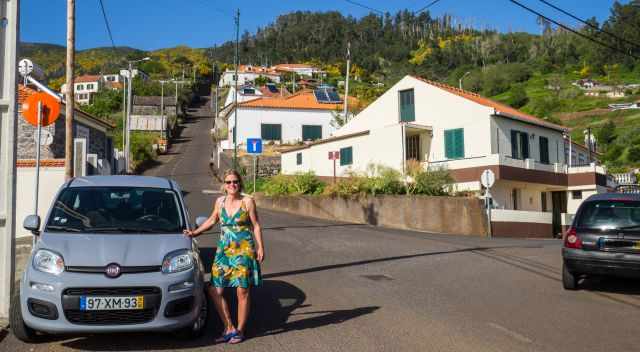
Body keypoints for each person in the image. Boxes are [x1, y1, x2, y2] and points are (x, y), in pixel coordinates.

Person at [184, 169, 265, 344]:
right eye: (228, 182)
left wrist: (260, 247)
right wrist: (194, 233)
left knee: (242, 290)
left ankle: (240, 331)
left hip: (244, 249)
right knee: (214, 289)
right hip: (224, 251)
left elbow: (256, 226)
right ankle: (229, 326)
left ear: (240, 183)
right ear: (224, 185)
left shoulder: (248, 201)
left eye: (235, 181)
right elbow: (212, 220)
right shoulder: (219, 202)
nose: (232, 185)